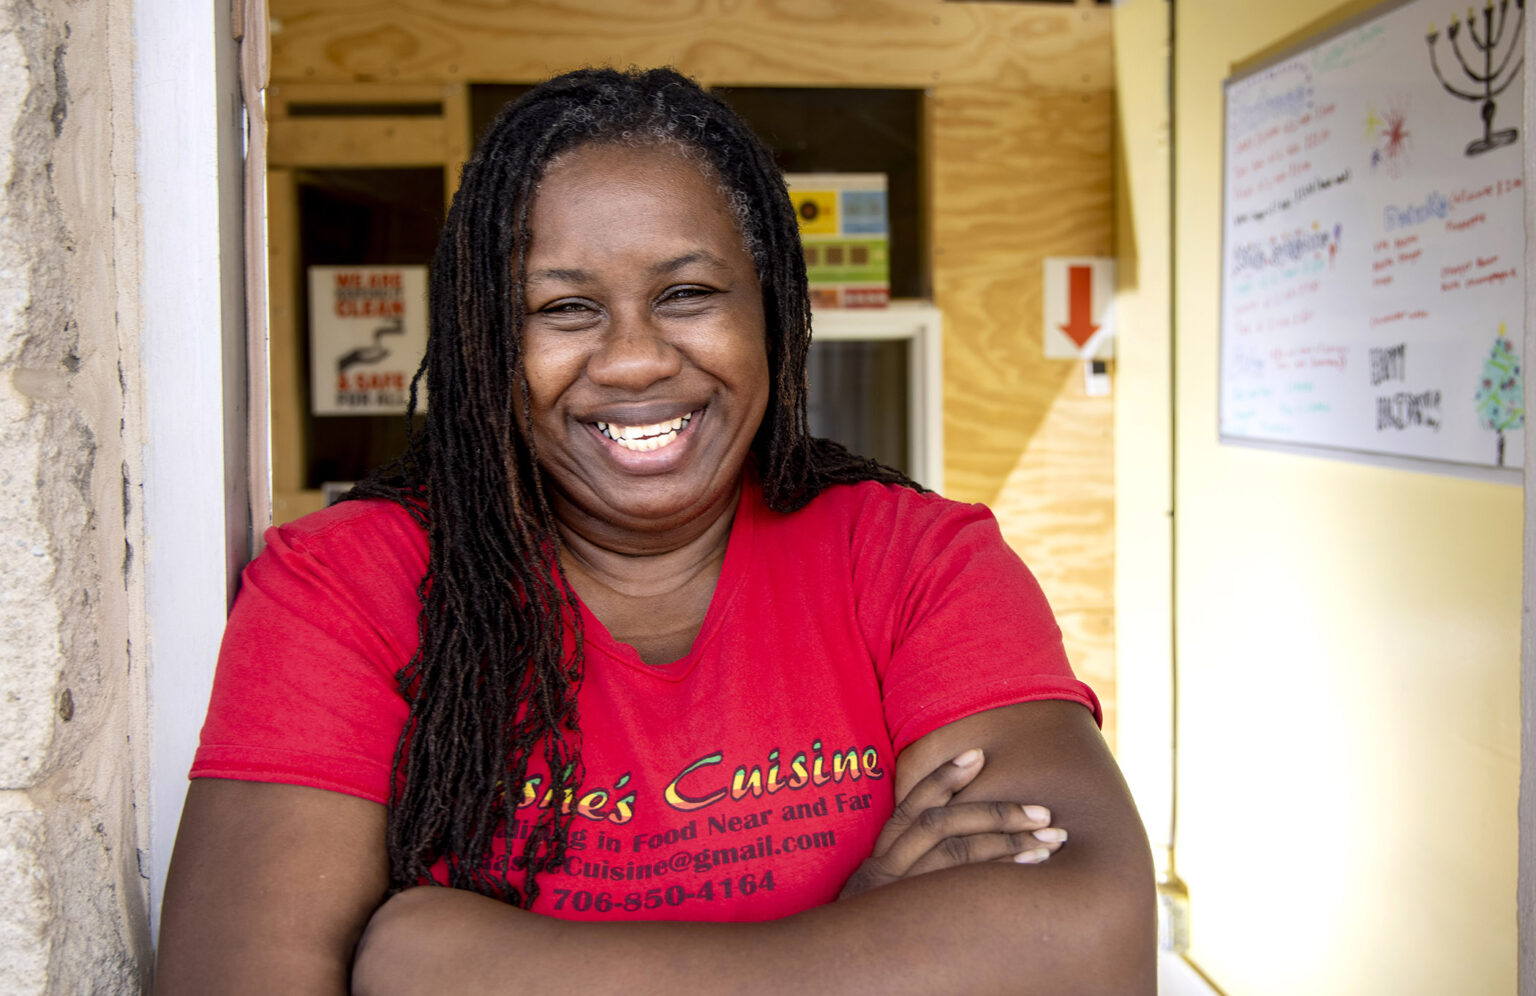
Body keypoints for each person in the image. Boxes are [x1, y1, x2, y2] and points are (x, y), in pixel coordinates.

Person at [155, 67, 1154, 994]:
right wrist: (870, 939)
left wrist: (450, 961)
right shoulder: (350, 585)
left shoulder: (910, 560)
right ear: (486, 342)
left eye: (686, 294)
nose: (633, 361)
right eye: (564, 308)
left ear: (773, 315)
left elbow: (1089, 939)